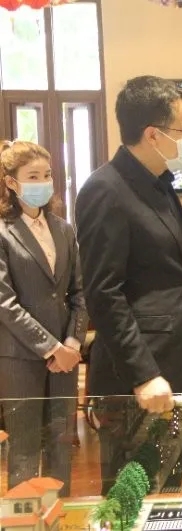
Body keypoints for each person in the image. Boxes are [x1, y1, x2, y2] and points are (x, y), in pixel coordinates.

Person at [75, 75, 182, 493]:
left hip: (171, 367)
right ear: (153, 134)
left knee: (166, 493)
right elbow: (103, 292)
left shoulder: (157, 182)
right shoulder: (107, 189)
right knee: (133, 496)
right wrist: (144, 373)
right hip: (138, 379)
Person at [0, 140, 87, 496]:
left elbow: (79, 293)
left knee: (60, 444)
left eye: (47, 175)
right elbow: (5, 302)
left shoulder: (64, 229)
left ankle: (59, 516)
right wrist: (51, 348)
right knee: (23, 448)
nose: (43, 183)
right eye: (33, 176)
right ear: (11, 182)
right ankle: (24, 520)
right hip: (20, 357)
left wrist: (72, 343)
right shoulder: (3, 232)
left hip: (66, 356)